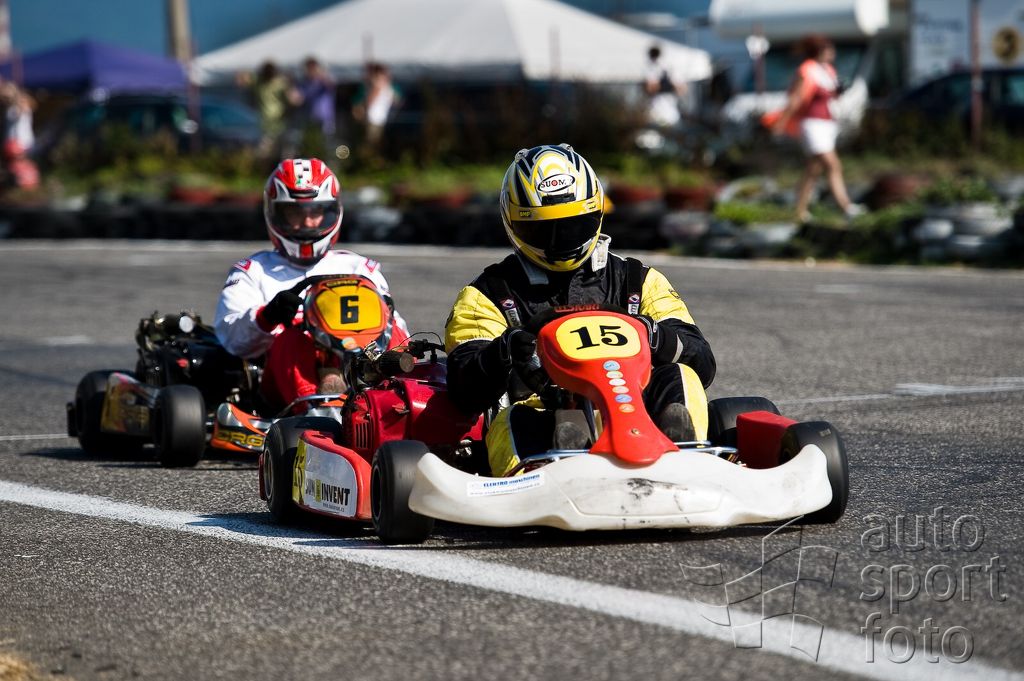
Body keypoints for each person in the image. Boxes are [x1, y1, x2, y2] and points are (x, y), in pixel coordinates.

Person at [443, 143, 716, 477]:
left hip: (636, 408)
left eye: (574, 226)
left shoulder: (636, 281)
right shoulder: (489, 294)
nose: (561, 242)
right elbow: (462, 392)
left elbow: (703, 363)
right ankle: (553, 466)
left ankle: (684, 454)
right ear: (515, 222)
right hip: (543, 411)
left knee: (680, 375)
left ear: (595, 213)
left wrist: (656, 336)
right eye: (544, 230)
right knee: (514, 416)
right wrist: (502, 352)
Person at [215, 157, 410, 412]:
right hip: (282, 385)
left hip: (358, 368)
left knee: (394, 333)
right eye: (295, 213)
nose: (307, 223)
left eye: (315, 212)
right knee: (292, 338)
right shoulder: (253, 271)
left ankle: (401, 406)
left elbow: (399, 334)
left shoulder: (360, 268)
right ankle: (319, 413)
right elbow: (232, 341)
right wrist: (266, 317)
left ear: (331, 212)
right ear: (275, 214)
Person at [767, 34, 864, 222]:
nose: (833, 53)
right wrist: (781, 123)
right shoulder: (807, 70)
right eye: (829, 49)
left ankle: (799, 210)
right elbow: (796, 99)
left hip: (827, 123)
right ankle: (846, 206)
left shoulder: (827, 70)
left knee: (813, 170)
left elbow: (829, 96)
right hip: (812, 124)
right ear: (819, 51)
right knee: (833, 164)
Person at [237, 61, 299, 158]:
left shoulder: (281, 83)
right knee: (264, 153)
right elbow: (242, 79)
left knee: (285, 152)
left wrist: (292, 96)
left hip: (281, 122)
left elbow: (295, 99)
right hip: (265, 123)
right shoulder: (259, 81)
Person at [351, 62, 400, 158]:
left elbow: (396, 101)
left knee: (376, 143)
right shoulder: (375, 87)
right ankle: (367, 159)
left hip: (380, 119)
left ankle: (371, 159)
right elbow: (368, 102)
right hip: (374, 119)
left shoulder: (387, 88)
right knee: (371, 143)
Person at [295, 57, 337, 145]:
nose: (310, 70)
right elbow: (299, 98)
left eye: (312, 67)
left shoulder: (323, 80)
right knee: (311, 143)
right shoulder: (304, 83)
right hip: (309, 119)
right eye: (308, 68)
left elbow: (331, 85)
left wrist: (321, 75)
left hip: (325, 119)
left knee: (327, 143)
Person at [644, 44, 687, 128]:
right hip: (660, 102)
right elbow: (651, 87)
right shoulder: (651, 68)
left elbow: (681, 88)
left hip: (666, 100)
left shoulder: (667, 67)